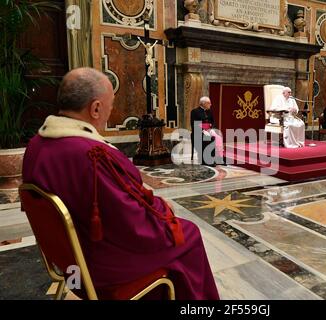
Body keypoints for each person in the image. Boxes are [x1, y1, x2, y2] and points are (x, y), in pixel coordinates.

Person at [22, 68, 219, 300]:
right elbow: (133, 225)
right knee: (190, 233)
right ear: (95, 108)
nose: (111, 110)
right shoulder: (94, 155)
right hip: (99, 268)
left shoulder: (36, 145)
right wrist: (163, 209)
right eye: (110, 104)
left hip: (70, 263)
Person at [190, 96, 225, 166]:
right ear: (203, 103)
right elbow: (194, 124)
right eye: (209, 103)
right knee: (208, 138)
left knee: (218, 138)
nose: (210, 104)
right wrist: (203, 130)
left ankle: (218, 159)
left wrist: (211, 128)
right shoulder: (194, 111)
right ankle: (207, 160)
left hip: (209, 130)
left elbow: (213, 122)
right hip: (198, 132)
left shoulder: (209, 111)